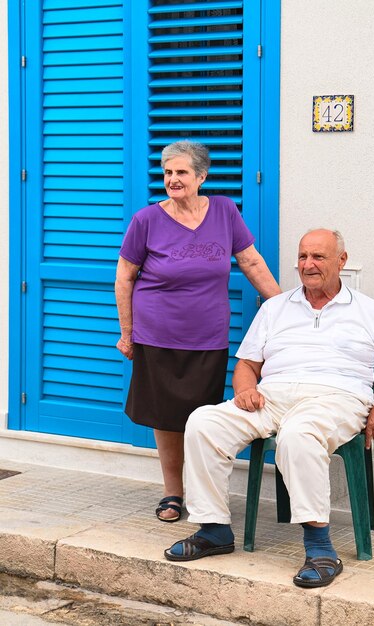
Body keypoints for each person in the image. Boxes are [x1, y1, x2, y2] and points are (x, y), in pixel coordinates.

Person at [164, 228, 374, 588]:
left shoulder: (370, 312)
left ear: (341, 261)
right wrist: (246, 387)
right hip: (273, 396)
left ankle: (320, 547)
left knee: (299, 434)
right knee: (203, 421)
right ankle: (214, 529)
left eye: (319, 257)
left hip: (335, 398)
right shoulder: (276, 308)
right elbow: (248, 364)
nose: (308, 265)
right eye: (302, 257)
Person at [115, 140, 281, 523]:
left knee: (201, 416)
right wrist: (128, 332)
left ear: (201, 176)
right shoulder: (146, 220)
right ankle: (173, 493)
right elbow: (124, 277)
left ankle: (204, 492)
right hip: (157, 335)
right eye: (168, 172)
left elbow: (252, 262)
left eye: (181, 173)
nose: (172, 179)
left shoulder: (224, 211)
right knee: (165, 417)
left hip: (208, 336)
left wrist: (286, 309)